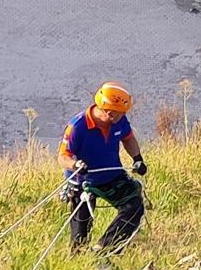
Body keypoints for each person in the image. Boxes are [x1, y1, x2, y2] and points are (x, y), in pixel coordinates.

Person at [57, 82, 147, 254]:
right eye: (121, 113)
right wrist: (75, 165)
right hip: (82, 182)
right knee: (81, 233)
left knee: (133, 206)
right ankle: (79, 259)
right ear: (109, 112)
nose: (123, 116)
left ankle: (104, 248)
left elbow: (128, 138)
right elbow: (62, 157)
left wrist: (137, 158)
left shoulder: (119, 122)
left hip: (112, 175)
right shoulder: (77, 127)